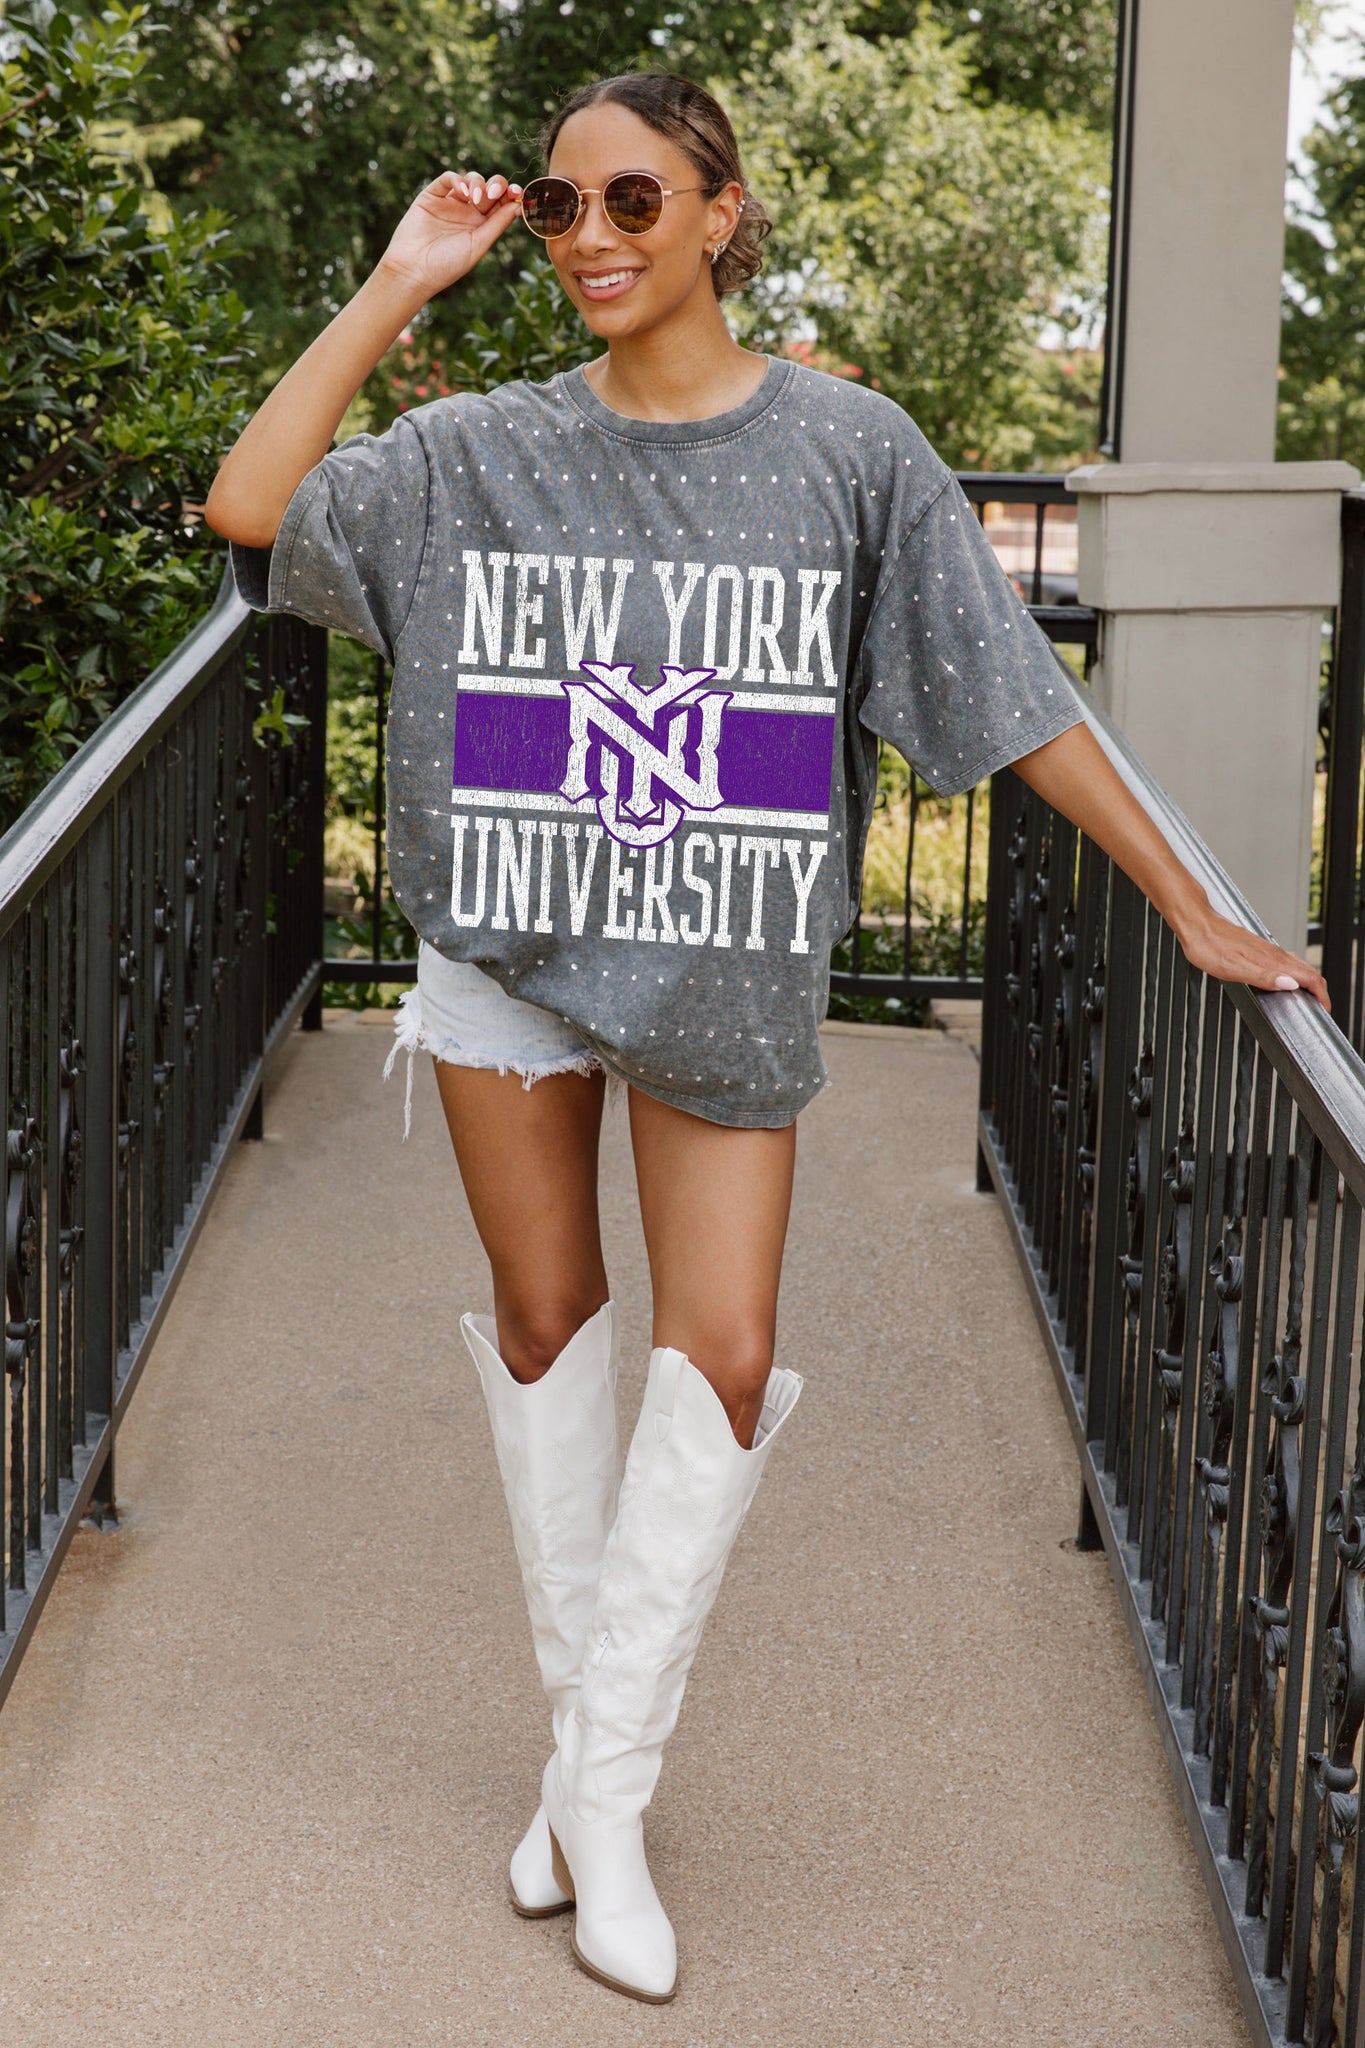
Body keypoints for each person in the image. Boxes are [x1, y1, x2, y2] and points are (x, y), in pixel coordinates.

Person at [205, 70, 1326, 2005]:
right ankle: (604, 1794)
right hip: (508, 953)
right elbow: (250, 506)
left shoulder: (847, 452)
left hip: (724, 969)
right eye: (560, 206)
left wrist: (1180, 899)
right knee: (549, 1328)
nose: (592, 236)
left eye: (634, 197)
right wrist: (401, 280)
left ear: (722, 210)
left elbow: (1005, 689)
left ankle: (590, 1785)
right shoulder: (478, 449)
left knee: (719, 1359)